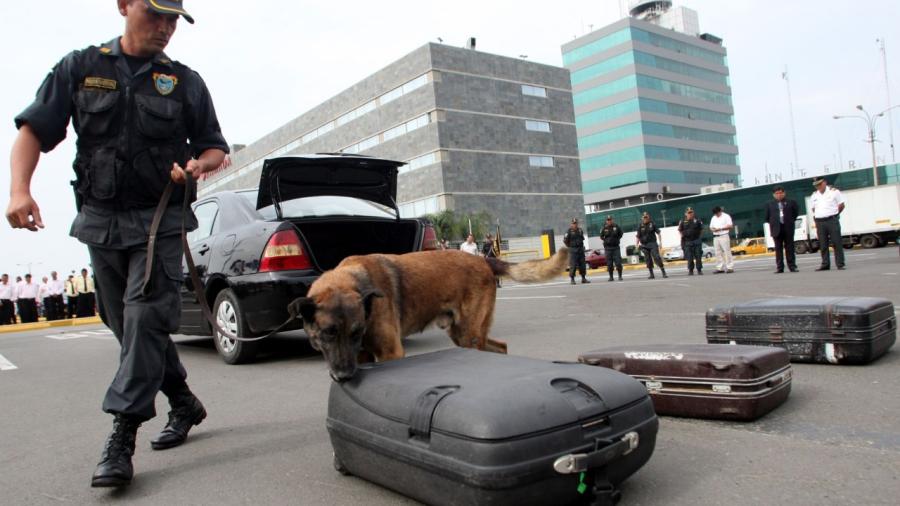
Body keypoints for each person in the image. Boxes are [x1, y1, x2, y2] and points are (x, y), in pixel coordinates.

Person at [6, 0, 226, 488]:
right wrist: (20, 190)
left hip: (158, 219)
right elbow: (33, 130)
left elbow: (214, 146)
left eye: (174, 19)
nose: (165, 27)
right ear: (124, 5)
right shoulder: (80, 67)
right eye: (155, 13)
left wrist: (198, 165)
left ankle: (122, 435)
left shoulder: (185, 81)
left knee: (145, 316)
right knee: (123, 323)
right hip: (100, 220)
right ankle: (183, 402)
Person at [809, 177, 846, 271]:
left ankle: (840, 264)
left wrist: (835, 214)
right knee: (823, 244)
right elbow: (813, 209)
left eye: (820, 184)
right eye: (816, 185)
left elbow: (841, 205)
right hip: (820, 221)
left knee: (836, 242)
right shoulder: (814, 195)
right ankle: (825, 264)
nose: (818, 186)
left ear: (825, 182)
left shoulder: (834, 192)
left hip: (832, 220)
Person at [765, 186, 800, 273]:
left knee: (790, 247)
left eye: (780, 193)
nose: (779, 195)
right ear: (773, 195)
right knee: (778, 248)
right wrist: (775, 223)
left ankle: (792, 266)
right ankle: (780, 267)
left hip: (788, 227)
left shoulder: (791, 202)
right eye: (777, 193)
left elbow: (795, 213)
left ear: (784, 193)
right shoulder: (769, 204)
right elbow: (767, 217)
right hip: (776, 228)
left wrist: (789, 220)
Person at [636, 212, 667, 279]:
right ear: (642, 218)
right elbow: (638, 236)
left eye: (646, 217)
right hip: (644, 245)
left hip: (653, 243)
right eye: (644, 217)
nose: (645, 219)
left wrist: (660, 242)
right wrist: (637, 244)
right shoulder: (640, 225)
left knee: (657, 257)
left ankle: (663, 272)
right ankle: (651, 274)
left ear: (648, 217)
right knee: (648, 259)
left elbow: (658, 233)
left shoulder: (652, 224)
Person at [677, 207, 704, 276]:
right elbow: (680, 230)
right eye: (689, 213)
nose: (690, 214)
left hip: (696, 240)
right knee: (689, 257)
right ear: (685, 214)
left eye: (691, 212)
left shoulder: (697, 220)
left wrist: (699, 237)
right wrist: (682, 236)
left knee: (698, 256)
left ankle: (699, 270)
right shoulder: (682, 221)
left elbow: (701, 229)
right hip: (688, 241)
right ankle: (690, 270)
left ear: (693, 213)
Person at [563, 218, 590, 284]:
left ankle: (583, 278)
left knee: (582, 265)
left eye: (576, 223)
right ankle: (572, 279)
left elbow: (582, 239)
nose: (575, 225)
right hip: (573, 250)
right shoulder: (568, 231)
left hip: (580, 249)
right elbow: (565, 241)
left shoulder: (580, 230)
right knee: (573, 265)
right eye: (573, 223)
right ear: (571, 224)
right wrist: (570, 247)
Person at [709, 206, 735, 273]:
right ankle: (720, 268)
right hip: (715, 236)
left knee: (727, 251)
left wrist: (720, 229)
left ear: (720, 211)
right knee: (717, 252)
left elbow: (730, 226)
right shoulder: (713, 218)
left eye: (717, 213)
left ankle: (730, 267)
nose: (716, 214)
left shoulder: (726, 216)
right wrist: (713, 229)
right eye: (715, 213)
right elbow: (711, 227)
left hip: (724, 235)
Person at [599, 215, 623, 282]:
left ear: (612, 220)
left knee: (618, 263)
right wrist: (606, 241)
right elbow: (601, 236)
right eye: (608, 220)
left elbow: (621, 234)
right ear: (606, 221)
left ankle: (620, 276)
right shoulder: (604, 228)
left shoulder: (616, 226)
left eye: (610, 220)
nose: (609, 221)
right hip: (608, 248)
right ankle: (611, 277)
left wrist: (616, 240)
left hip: (616, 248)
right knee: (609, 264)